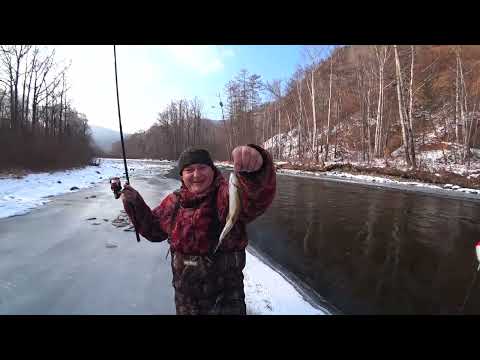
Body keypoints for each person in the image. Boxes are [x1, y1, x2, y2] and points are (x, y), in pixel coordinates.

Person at [121, 144, 276, 315]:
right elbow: (153, 230)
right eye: (189, 170)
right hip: (186, 302)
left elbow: (255, 198)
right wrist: (135, 203)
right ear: (182, 175)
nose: (196, 174)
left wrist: (255, 171)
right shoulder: (173, 202)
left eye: (202, 167)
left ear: (212, 170)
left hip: (226, 302)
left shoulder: (224, 194)